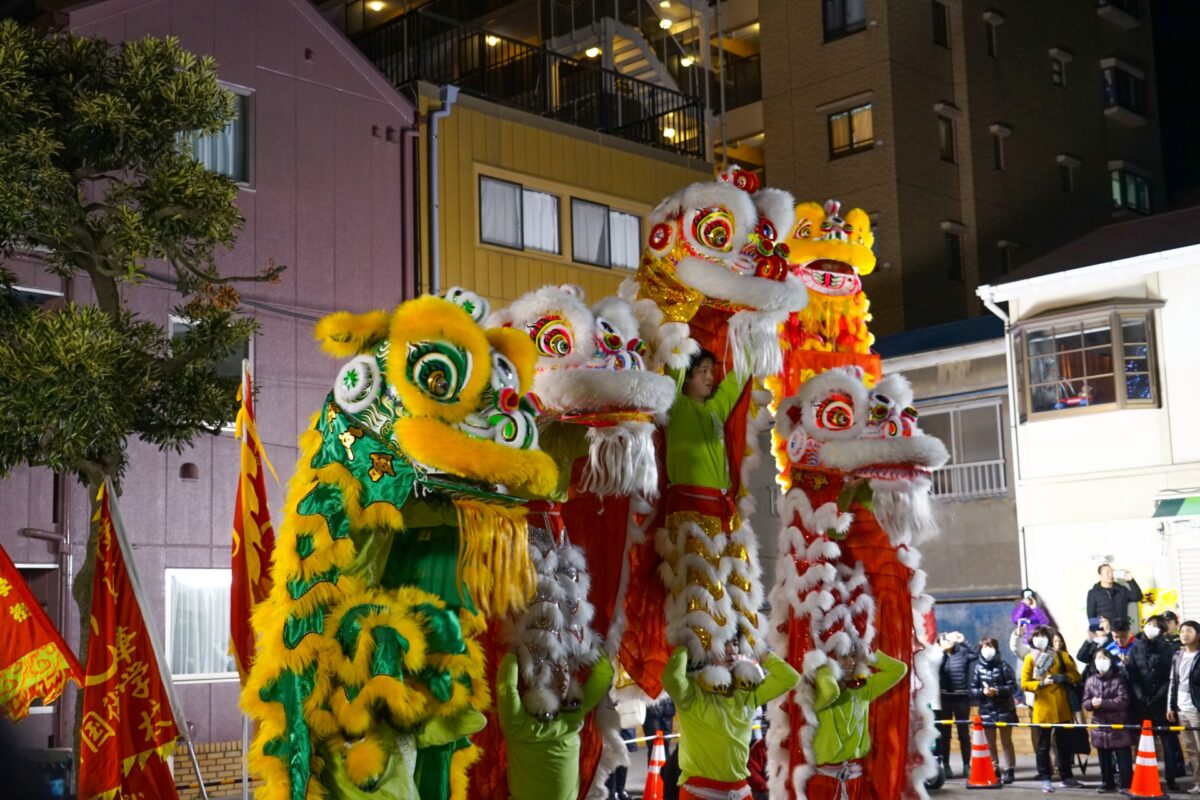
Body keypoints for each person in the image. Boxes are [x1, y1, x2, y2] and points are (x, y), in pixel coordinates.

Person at [662, 645, 800, 800]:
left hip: (740, 791)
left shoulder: (747, 692)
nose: (731, 649)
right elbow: (672, 678)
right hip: (700, 793)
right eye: (722, 644)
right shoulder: (692, 692)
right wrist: (686, 643)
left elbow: (790, 678)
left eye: (735, 642)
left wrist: (757, 649)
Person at [497, 651, 615, 800]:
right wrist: (516, 648)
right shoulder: (517, 723)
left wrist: (587, 641)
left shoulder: (574, 713)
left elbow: (604, 673)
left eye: (566, 670)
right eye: (553, 671)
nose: (563, 677)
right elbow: (506, 686)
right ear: (537, 677)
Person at [810, 646, 908, 799]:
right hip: (824, 781)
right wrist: (826, 665)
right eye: (843, 656)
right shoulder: (817, 694)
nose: (851, 662)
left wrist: (867, 652)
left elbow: (899, 669)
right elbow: (831, 691)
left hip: (855, 778)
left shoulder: (863, 688)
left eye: (854, 657)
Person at [1021, 625, 1083, 793]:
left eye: (1043, 636)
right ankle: (1045, 778)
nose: (1039, 639)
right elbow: (1024, 683)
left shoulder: (1061, 656)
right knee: (1043, 746)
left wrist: (1064, 677)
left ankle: (1067, 776)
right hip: (1043, 709)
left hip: (1062, 708)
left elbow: (1077, 676)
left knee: (1065, 746)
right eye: (1036, 636)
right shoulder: (1030, 658)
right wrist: (1040, 683)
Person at [1130, 613, 1187, 791]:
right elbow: (1132, 675)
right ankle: (1147, 777)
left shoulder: (1169, 649)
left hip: (1163, 703)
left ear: (1162, 630)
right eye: (1149, 623)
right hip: (1141, 702)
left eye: (1156, 625)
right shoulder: (1136, 648)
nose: (1151, 628)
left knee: (1168, 742)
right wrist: (1141, 695)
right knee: (1144, 742)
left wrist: (1158, 697)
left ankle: (1171, 777)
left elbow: (1171, 678)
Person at [1082, 649, 1138, 793]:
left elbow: (1123, 701)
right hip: (1100, 725)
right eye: (1098, 657)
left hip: (1118, 724)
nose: (1101, 660)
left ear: (1110, 660)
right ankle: (1107, 783)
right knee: (1104, 758)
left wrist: (1103, 703)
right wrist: (1090, 704)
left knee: (1123, 757)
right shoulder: (1090, 680)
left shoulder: (1119, 679)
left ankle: (1126, 784)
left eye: (1104, 657)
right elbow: (1086, 702)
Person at [969, 637, 1018, 784]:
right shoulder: (977, 668)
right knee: (990, 743)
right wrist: (982, 692)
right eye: (984, 646)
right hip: (986, 711)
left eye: (989, 646)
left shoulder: (1004, 666)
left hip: (1004, 710)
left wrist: (996, 691)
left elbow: (1012, 687)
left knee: (1006, 741)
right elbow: (972, 690)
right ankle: (994, 767)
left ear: (995, 648)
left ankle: (1009, 769)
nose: (986, 649)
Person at [936, 631, 977, 778]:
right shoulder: (937, 657)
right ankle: (945, 765)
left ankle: (967, 765)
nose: (948, 641)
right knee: (945, 735)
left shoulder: (963, 653)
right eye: (944, 639)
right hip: (944, 699)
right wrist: (938, 652)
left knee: (964, 734)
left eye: (949, 638)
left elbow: (976, 653)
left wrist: (963, 639)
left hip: (962, 698)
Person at [1168, 619, 1200, 794]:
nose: (1184, 634)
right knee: (1191, 749)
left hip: (1197, 708)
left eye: (1189, 631)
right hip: (1182, 707)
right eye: (1182, 631)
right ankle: (1198, 782)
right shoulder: (1177, 655)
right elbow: (1173, 681)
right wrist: (1170, 706)